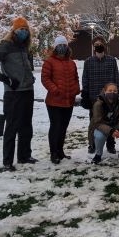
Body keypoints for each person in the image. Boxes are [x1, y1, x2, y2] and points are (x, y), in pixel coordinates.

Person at [0, 17, 36, 171]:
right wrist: (4, 79)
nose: (24, 32)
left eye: (26, 30)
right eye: (21, 29)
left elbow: (25, 67)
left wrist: (30, 78)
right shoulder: (6, 46)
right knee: (12, 127)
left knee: (26, 126)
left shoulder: (24, 47)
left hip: (28, 91)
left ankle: (24, 155)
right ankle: (7, 161)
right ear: (14, 30)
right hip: (13, 94)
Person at [41, 35, 80, 164]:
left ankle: (60, 151)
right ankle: (53, 153)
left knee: (63, 127)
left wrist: (76, 90)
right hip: (54, 101)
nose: (62, 47)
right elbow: (45, 79)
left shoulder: (71, 62)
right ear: (55, 47)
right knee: (55, 127)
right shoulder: (49, 62)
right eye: (59, 45)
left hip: (68, 101)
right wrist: (55, 90)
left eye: (64, 45)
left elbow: (75, 78)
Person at [81, 35, 119, 154]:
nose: (99, 46)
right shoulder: (88, 62)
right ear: (94, 47)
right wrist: (85, 94)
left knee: (110, 120)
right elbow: (85, 79)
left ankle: (110, 144)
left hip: (109, 97)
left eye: (101, 44)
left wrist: (117, 90)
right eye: (96, 44)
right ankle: (92, 145)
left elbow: (116, 77)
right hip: (94, 98)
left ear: (104, 45)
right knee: (94, 122)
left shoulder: (112, 61)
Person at [90, 82, 119, 164]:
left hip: (115, 124)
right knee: (99, 136)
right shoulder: (98, 104)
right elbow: (97, 122)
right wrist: (111, 131)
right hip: (101, 126)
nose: (112, 93)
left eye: (115, 91)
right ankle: (98, 154)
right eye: (110, 90)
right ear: (105, 91)